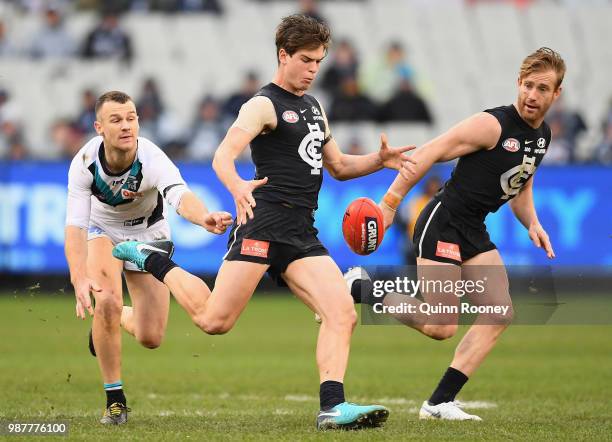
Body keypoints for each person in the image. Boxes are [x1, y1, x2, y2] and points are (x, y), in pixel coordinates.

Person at [112, 14, 415, 431]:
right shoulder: (263, 104)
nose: (313, 69)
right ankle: (152, 259)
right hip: (263, 222)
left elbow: (340, 166)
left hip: (300, 231)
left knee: (342, 312)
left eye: (319, 62)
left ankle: (332, 406)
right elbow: (223, 156)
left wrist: (378, 161)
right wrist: (237, 186)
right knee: (214, 321)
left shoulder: (314, 107)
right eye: (306, 60)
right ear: (283, 55)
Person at [351, 47, 564, 420]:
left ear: (556, 94)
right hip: (444, 220)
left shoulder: (542, 135)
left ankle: (438, 403)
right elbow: (429, 152)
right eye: (528, 85)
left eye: (542, 88)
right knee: (440, 325)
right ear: (518, 83)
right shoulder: (491, 125)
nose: (532, 95)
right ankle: (360, 288)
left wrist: (532, 222)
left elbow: (521, 185)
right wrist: (389, 203)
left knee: (499, 314)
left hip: (473, 229)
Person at [64, 90, 232, 425]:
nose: (126, 125)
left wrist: (204, 218)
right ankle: (115, 400)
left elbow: (180, 196)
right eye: (116, 120)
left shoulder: (153, 158)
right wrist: (78, 276)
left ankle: (106, 322)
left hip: (148, 232)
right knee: (107, 300)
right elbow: (75, 227)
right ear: (99, 126)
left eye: (131, 118)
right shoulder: (84, 163)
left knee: (150, 337)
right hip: (103, 229)